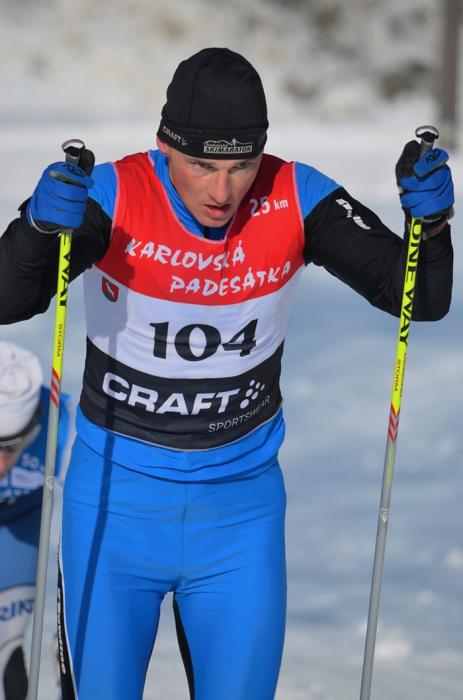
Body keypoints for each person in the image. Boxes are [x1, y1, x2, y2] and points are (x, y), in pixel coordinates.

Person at [0, 47, 454, 700]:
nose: (222, 191)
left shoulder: (295, 194)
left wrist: (429, 228)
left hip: (238, 520)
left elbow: (417, 297)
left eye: (241, 165)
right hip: (115, 508)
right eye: (202, 166)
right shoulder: (115, 193)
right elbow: (11, 299)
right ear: (165, 147)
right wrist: (38, 227)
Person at [0, 342, 70, 700]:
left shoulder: (62, 422)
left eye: (13, 446)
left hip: (22, 518)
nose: (1, 464)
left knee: (5, 643)